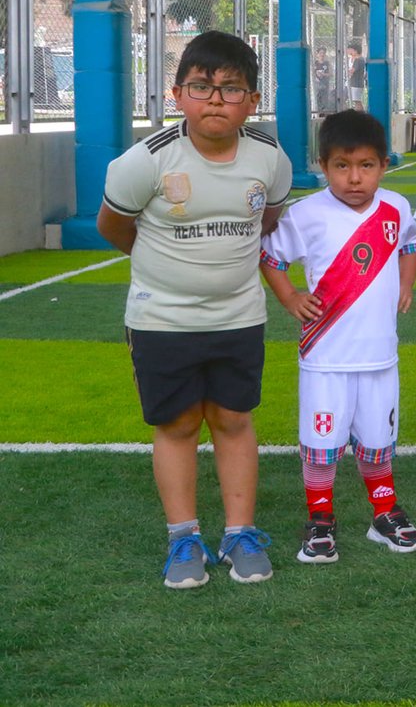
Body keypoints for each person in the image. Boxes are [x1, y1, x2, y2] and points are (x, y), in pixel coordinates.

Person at [96, 31, 293, 589]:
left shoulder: (270, 157)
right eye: (201, 86)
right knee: (178, 424)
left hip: (239, 317)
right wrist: (169, 269)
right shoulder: (145, 161)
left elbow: (268, 221)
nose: (215, 99)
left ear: (252, 100)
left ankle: (240, 533)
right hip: (163, 321)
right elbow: (114, 227)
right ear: (177, 94)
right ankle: (183, 538)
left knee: (233, 419)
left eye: (231, 89)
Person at [260, 110, 416, 564]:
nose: (354, 178)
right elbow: (270, 258)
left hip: (379, 358)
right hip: (325, 358)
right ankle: (320, 520)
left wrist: (408, 284)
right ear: (322, 164)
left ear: (384, 165)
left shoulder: (395, 207)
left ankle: (385, 515)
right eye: (341, 166)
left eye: (366, 166)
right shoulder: (306, 213)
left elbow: (412, 242)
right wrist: (291, 298)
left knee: (377, 444)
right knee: (322, 448)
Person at [347, 43, 367, 110]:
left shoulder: (358, 60)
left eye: (351, 50)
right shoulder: (359, 59)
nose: (350, 52)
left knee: (357, 101)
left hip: (357, 83)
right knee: (356, 101)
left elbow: (352, 71)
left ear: (356, 51)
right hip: (355, 83)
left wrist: (348, 71)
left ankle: (360, 114)